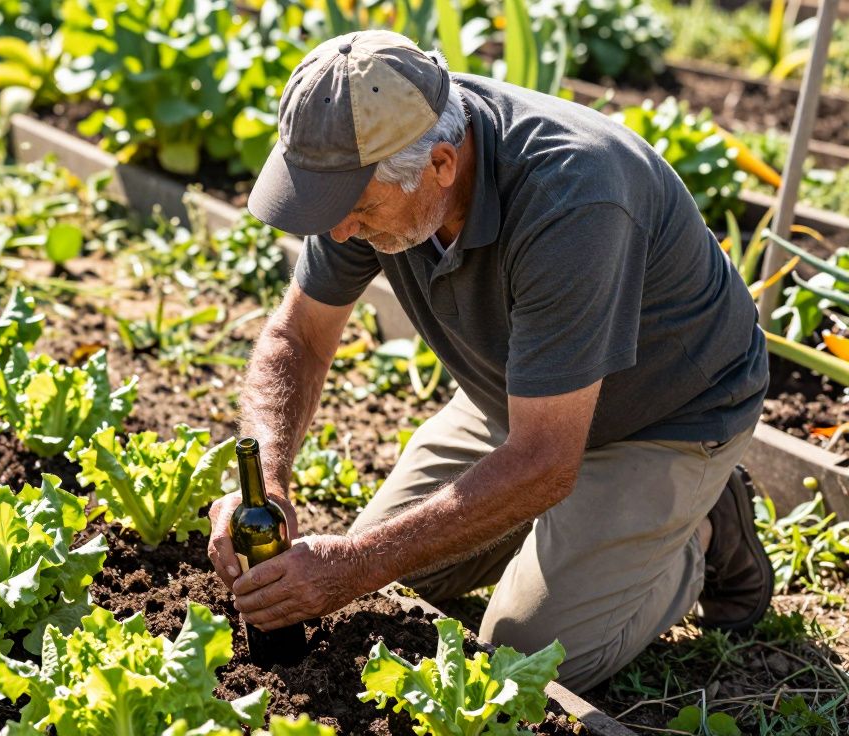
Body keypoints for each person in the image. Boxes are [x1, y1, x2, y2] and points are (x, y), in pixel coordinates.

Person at [204, 29, 773, 692]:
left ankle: (701, 532)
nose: (337, 232)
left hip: (665, 412)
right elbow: (297, 338)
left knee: (526, 654)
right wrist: (268, 477)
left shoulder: (574, 198)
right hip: (522, 395)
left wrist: (354, 564)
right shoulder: (380, 165)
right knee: (403, 571)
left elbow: (545, 461)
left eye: (355, 208)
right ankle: (564, 521)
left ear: (442, 165)